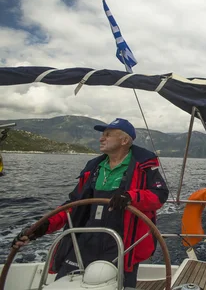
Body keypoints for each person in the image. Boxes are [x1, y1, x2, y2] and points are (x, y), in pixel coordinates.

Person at [12, 118, 168, 287]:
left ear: (124, 140)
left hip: (122, 243)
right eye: (102, 135)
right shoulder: (93, 168)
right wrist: (41, 228)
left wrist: (130, 197)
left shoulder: (144, 167)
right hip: (86, 239)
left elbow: (159, 195)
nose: (101, 139)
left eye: (107, 135)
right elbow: (73, 205)